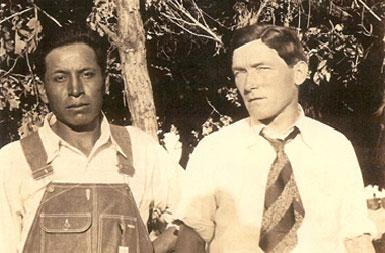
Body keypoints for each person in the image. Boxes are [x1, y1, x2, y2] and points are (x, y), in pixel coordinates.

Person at [175, 24, 376, 253]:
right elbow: (190, 239)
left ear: (299, 72)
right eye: (240, 72)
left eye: (262, 68)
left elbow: (356, 238)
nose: (249, 84)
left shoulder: (334, 148)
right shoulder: (216, 151)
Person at [0, 24, 183, 253]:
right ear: (43, 89)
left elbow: (195, 213)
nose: (75, 89)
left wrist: (159, 246)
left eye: (87, 74)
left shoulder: (139, 149)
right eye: (60, 78)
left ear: (105, 82)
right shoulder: (13, 161)